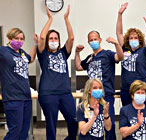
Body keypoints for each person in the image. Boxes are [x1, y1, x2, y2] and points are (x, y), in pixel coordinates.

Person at [37, 6, 77, 140]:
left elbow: (71, 38)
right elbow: (42, 37)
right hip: (48, 93)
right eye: (51, 38)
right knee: (51, 124)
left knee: (74, 120)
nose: (54, 41)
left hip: (65, 93)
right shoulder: (43, 54)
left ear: (59, 41)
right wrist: (50, 19)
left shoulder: (63, 53)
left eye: (56, 38)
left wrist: (66, 19)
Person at [74, 31, 124, 140]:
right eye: (91, 40)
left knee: (109, 125)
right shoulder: (89, 58)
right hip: (91, 97)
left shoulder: (108, 54)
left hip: (105, 95)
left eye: (95, 39)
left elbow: (120, 56)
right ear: (88, 42)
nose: (93, 42)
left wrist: (116, 43)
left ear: (100, 40)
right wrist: (77, 52)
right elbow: (78, 67)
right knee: (92, 123)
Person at [116, 2, 146, 106]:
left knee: (142, 114)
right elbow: (119, 33)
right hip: (126, 88)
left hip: (141, 89)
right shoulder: (125, 49)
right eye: (131, 38)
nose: (133, 40)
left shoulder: (144, 51)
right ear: (127, 40)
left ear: (140, 40)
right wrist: (120, 14)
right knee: (127, 114)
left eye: (135, 38)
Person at [0, 27, 37, 140]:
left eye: (21, 39)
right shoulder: (3, 51)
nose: (19, 41)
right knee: (15, 131)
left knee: (24, 131)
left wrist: (35, 44)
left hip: (26, 97)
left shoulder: (21, 53)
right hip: (12, 98)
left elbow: (30, 59)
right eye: (16, 38)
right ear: (10, 38)